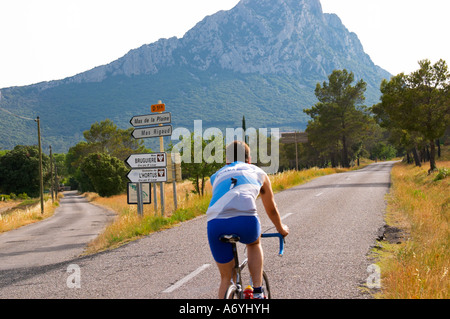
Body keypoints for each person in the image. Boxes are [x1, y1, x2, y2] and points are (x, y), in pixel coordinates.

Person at [206, 141, 289, 299]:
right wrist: (280, 228)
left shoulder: (215, 176)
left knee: (226, 278)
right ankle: (257, 291)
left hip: (215, 223)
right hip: (246, 221)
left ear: (226, 160)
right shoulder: (259, 173)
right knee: (253, 242)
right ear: (248, 159)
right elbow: (271, 208)